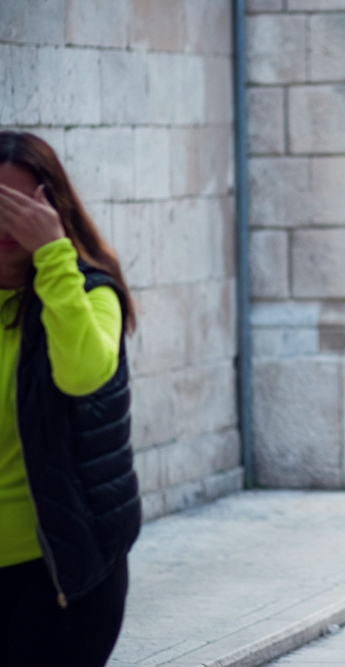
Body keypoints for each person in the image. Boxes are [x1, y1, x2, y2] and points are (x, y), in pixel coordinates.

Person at [0, 131, 141, 667]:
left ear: (52, 209)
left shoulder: (90, 291)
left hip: (62, 572)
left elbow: (84, 376)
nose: (8, 225)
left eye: (23, 208)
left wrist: (53, 255)